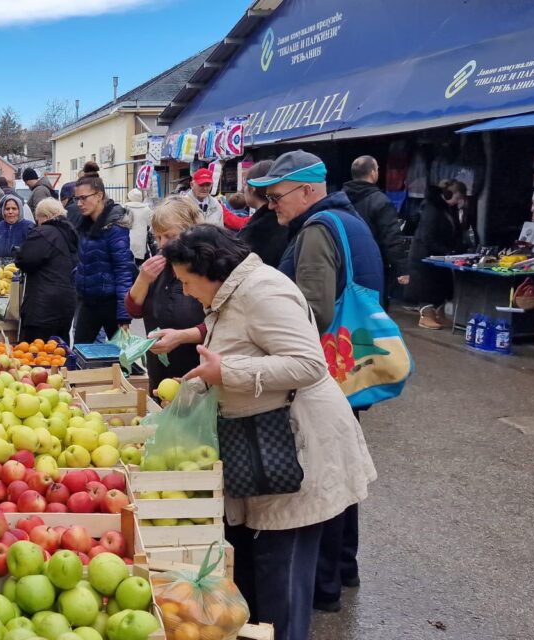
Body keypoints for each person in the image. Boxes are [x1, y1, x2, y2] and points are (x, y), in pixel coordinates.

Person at [162, 225, 376, 640]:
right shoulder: (230, 295)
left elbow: (308, 363)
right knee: (261, 571)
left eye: (187, 282)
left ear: (211, 270)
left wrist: (227, 371)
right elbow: (241, 347)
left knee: (284, 573)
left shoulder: (263, 292)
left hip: (297, 446)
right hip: (261, 444)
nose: (185, 292)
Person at [247, 150, 383, 616]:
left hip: (325, 367)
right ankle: (344, 568)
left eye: (277, 197)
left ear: (308, 190)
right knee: (343, 466)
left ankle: (324, 582)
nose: (271, 206)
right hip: (353, 360)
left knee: (324, 476)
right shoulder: (351, 220)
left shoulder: (316, 231)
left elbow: (313, 310)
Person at [127, 196, 206, 390]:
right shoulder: (160, 264)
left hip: (196, 371)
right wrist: (143, 279)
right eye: (157, 237)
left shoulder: (208, 268)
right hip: (159, 371)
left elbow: (222, 324)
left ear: (191, 231)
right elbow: (134, 310)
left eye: (170, 236)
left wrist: (181, 336)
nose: (162, 244)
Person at [73, 175, 135, 343]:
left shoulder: (115, 227)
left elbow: (123, 271)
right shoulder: (85, 225)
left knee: (123, 355)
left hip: (111, 303)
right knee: (79, 351)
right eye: (77, 198)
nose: (79, 203)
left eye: (84, 198)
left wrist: (124, 315)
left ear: (99, 195)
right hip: (88, 301)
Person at [342, 156, 410, 302]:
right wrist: (402, 269)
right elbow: (391, 238)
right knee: (373, 309)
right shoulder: (381, 201)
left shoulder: (339, 199)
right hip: (372, 266)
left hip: (343, 263)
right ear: (373, 173)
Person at [15, 198, 79, 342]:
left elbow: (25, 259)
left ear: (45, 216)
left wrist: (18, 254)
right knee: (59, 348)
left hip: (42, 305)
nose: (37, 222)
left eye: (38, 218)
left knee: (36, 349)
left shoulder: (43, 233)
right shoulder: (69, 234)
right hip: (66, 303)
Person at [407, 183, 463, 329]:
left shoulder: (447, 209)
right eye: (457, 197)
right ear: (448, 194)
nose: (458, 201)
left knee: (441, 284)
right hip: (425, 255)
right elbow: (427, 236)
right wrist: (446, 251)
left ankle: (438, 313)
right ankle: (426, 315)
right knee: (427, 287)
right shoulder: (431, 208)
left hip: (439, 255)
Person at [237, 160, 288, 267]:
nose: (243, 189)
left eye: (245, 184)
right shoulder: (291, 219)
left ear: (252, 188)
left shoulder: (253, 233)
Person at [0, 193, 34, 260]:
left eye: (14, 208)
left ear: (20, 210)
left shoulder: (29, 227)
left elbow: (33, 252)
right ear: (3, 211)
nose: (10, 212)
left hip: (21, 265)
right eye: (7, 209)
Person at [124, 189, 154, 266]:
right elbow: (152, 223)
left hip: (126, 240)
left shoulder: (124, 208)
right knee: (139, 264)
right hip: (140, 241)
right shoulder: (146, 209)